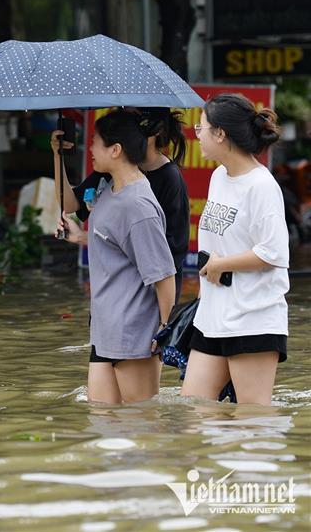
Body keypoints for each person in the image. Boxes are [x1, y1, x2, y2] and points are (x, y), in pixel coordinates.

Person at [58, 110, 177, 403]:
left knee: (141, 426)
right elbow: (114, 244)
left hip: (134, 332)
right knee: (103, 423)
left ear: (116, 149)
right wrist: (78, 236)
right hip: (105, 328)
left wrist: (163, 331)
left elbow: (163, 275)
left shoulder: (138, 204)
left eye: (96, 142)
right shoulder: (110, 189)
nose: (91, 150)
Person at [181, 94, 289, 405]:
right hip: (213, 314)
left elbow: (274, 253)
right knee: (195, 410)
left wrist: (221, 265)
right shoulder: (219, 177)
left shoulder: (261, 186)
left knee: (252, 419)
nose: (196, 133)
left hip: (254, 316)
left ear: (220, 134)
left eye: (201, 127)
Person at [53, 108, 190, 301]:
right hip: (111, 292)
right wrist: (58, 156)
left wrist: (164, 323)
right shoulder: (112, 168)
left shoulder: (168, 179)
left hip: (146, 296)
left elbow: (164, 255)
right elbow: (70, 204)